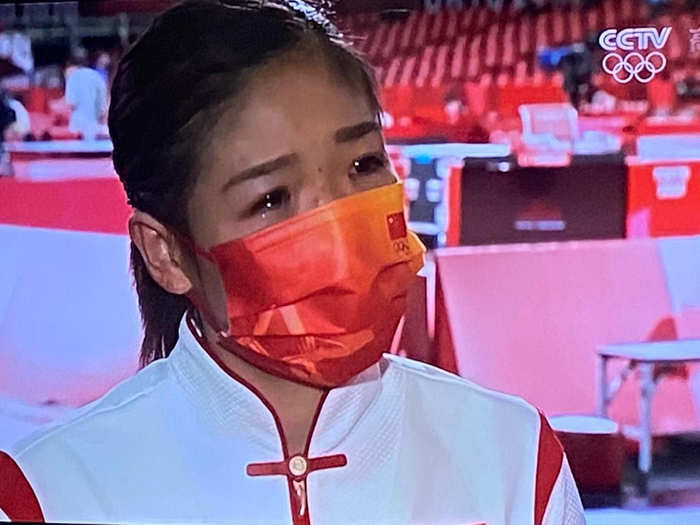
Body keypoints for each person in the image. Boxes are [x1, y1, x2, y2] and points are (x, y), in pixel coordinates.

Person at [0, 1, 585, 524]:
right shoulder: (48, 496)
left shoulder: (514, 462)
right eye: (272, 199)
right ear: (167, 253)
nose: (338, 226)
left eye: (363, 165)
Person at [64, 47, 108, 141]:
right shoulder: (98, 77)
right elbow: (102, 106)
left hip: (77, 125)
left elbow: (71, 102)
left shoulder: (72, 77)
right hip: (94, 125)